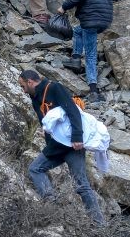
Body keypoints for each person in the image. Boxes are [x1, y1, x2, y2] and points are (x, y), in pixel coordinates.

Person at [17, 69, 105, 225]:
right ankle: (52, 203)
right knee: (35, 168)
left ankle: (99, 225)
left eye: (23, 86)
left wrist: (77, 137)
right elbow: (45, 124)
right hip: (55, 147)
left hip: (73, 146)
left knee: (81, 185)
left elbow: (73, 111)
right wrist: (48, 144)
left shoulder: (54, 88)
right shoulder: (34, 98)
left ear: (30, 82)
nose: (23, 90)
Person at [58, 0, 122, 103]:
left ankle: (93, 89)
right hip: (105, 19)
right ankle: (75, 57)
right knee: (78, 31)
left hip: (90, 19)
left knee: (91, 53)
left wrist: (64, 6)